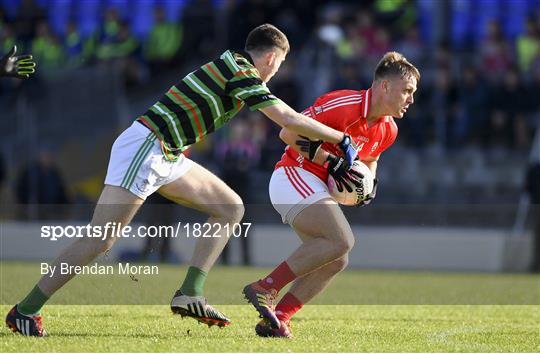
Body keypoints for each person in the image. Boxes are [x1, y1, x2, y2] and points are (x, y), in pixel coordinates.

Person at [6, 23, 358, 337]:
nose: (275, 73)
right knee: (101, 239)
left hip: (168, 153)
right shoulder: (241, 70)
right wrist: (340, 139)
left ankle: (191, 293)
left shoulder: (232, 67)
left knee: (230, 207)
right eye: (278, 66)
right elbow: (285, 117)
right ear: (270, 59)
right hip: (147, 146)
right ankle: (26, 309)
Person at [243, 51, 419, 338]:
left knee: (338, 258)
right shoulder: (343, 104)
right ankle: (266, 287)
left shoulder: (389, 130)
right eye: (407, 91)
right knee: (343, 240)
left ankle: (277, 318)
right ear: (385, 86)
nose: (411, 99)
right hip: (293, 175)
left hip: (317, 187)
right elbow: (287, 134)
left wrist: (370, 184)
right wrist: (331, 161)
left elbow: (370, 158)